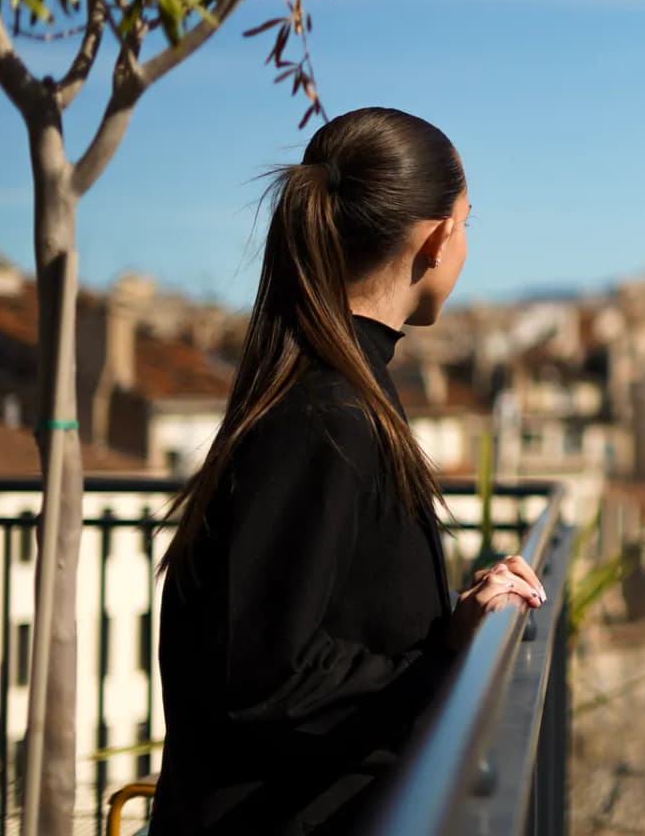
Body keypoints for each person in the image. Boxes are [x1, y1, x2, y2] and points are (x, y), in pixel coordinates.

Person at [152, 107, 544, 834]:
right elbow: (269, 674)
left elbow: (317, 620)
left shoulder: (334, 387)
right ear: (437, 239)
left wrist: (455, 632)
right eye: (468, 220)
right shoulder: (327, 413)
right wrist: (442, 666)